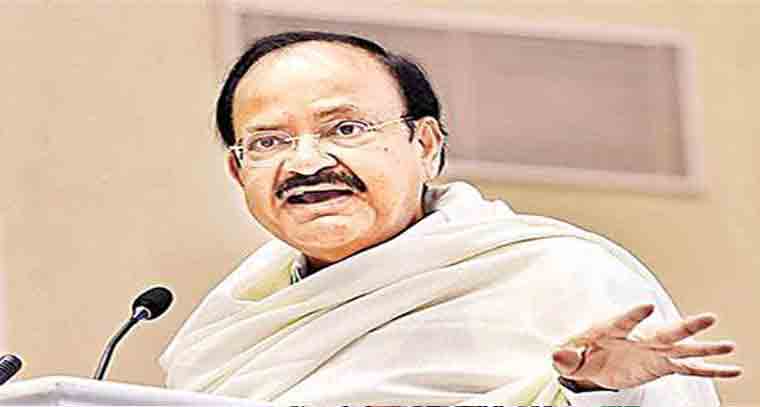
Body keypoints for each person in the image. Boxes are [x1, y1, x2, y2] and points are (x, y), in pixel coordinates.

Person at [159, 31, 741, 406]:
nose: (306, 163)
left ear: (426, 145)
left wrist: (585, 391)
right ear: (238, 172)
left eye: (346, 129)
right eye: (268, 142)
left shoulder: (566, 277)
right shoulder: (229, 330)